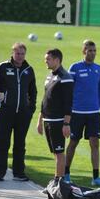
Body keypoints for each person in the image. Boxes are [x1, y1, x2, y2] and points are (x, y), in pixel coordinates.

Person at [0, 43, 37, 181]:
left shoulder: (29, 70)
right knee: (2, 142)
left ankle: (18, 173)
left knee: (20, 144)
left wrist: (31, 109)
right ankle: (0, 172)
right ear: (12, 53)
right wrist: (0, 97)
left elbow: (33, 91)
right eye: (17, 53)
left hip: (23, 114)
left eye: (22, 54)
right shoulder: (3, 67)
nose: (20, 56)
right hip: (6, 112)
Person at [65, 40, 100, 186]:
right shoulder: (75, 68)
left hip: (93, 113)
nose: (93, 53)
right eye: (90, 51)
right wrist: (67, 112)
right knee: (73, 142)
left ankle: (95, 177)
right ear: (84, 51)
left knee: (95, 144)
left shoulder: (99, 69)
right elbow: (68, 91)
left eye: (94, 50)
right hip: (77, 113)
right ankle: (66, 173)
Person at [37, 49, 73, 178]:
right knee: (55, 153)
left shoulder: (66, 78)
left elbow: (69, 103)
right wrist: (40, 120)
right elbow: (45, 99)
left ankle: (59, 183)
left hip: (58, 122)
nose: (45, 61)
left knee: (59, 153)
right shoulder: (49, 76)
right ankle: (56, 181)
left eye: (48, 59)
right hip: (47, 120)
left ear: (57, 60)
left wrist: (66, 123)